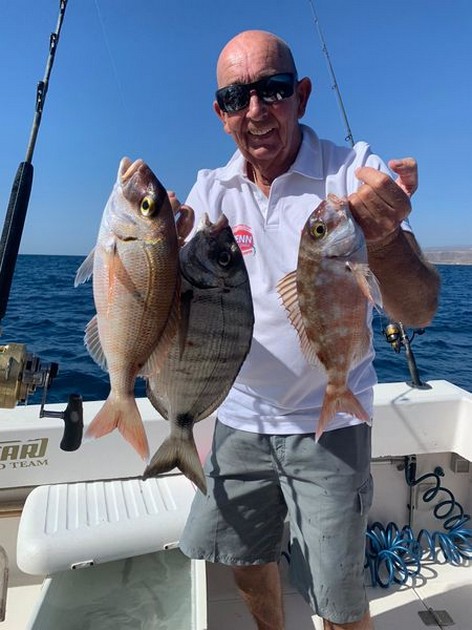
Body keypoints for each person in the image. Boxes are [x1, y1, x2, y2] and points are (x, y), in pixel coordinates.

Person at [174, 30, 440, 630]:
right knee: (245, 562)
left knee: (338, 599)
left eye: (273, 89)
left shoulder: (353, 173)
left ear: (302, 95)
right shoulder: (210, 190)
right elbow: (177, 307)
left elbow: (420, 310)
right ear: (220, 114)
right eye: (236, 97)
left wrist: (384, 238)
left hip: (332, 425)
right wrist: (156, 250)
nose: (255, 110)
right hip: (238, 415)